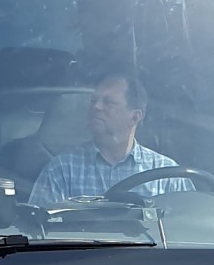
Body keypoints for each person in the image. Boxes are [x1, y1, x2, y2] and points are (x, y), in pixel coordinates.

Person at [29, 73, 191, 206]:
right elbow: (37, 227)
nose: (96, 107)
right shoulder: (62, 170)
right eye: (94, 101)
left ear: (134, 117)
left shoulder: (167, 175)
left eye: (108, 103)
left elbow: (188, 227)